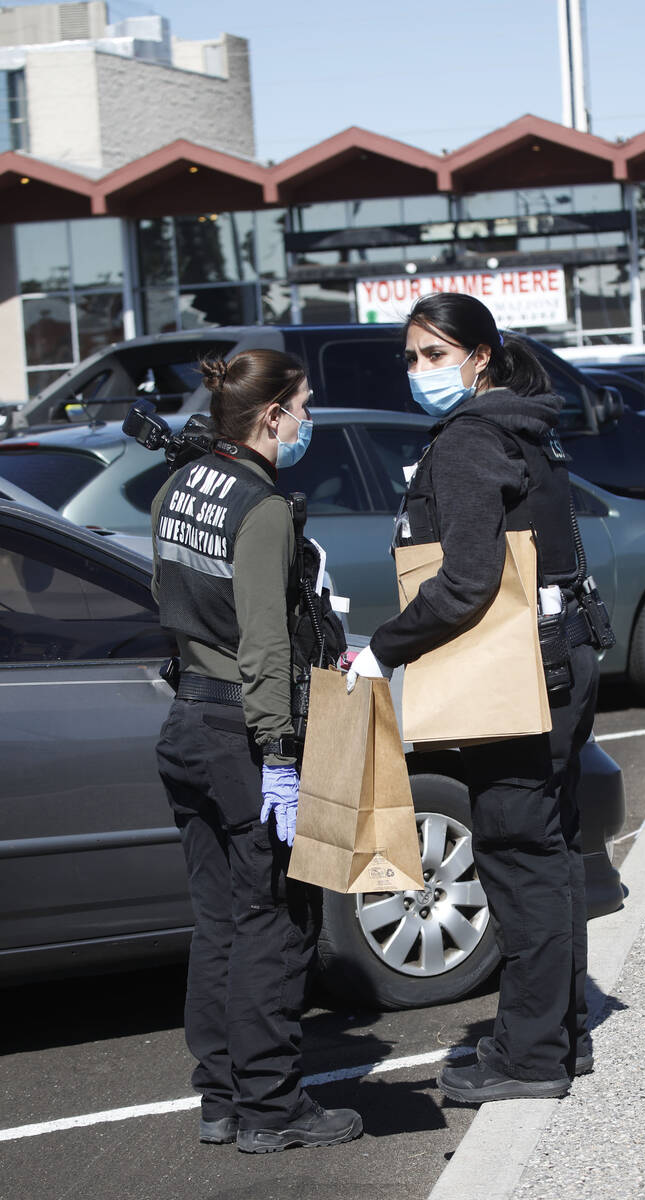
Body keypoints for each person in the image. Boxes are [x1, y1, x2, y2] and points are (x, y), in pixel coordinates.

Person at [346, 293, 599, 1103]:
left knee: (517, 857)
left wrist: (385, 649)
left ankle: (529, 1059)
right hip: (562, 661)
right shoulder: (530, 425)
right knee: (550, 854)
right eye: (412, 357)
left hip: (517, 676)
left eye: (434, 355)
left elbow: (464, 582)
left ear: (480, 355)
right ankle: (559, 1037)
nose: (420, 372)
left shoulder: (468, 441)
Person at [153, 349, 362, 1152]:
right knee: (276, 921)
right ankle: (273, 1109)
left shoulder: (180, 485)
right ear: (271, 415)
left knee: (220, 922)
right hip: (245, 731)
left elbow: (166, 594)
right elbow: (267, 645)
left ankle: (221, 1098)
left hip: (187, 724)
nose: (308, 419)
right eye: (303, 405)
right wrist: (278, 754)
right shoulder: (263, 506)